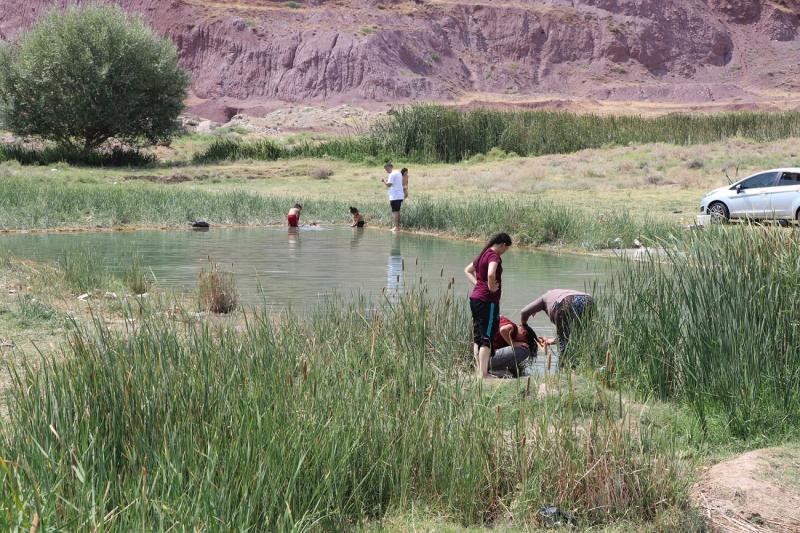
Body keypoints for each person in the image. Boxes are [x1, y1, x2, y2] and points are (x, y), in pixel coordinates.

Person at [464, 232, 512, 379]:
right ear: (503, 245)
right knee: (487, 337)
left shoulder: (482, 255)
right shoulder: (493, 256)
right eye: (506, 249)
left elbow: (467, 270)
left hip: (475, 299)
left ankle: (480, 371)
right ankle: (484, 375)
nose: (505, 252)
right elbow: (491, 274)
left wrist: (479, 284)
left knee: (478, 336)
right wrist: (490, 287)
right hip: (487, 302)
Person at [520, 289, 594, 365]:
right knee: (581, 339)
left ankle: (563, 368)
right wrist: (553, 340)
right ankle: (582, 366)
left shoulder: (544, 298)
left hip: (566, 301)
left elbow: (524, 312)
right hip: (587, 300)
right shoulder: (558, 293)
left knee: (564, 347)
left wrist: (524, 326)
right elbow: (568, 334)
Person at [381, 162, 405, 232]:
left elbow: (389, 185)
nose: (386, 170)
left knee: (395, 212)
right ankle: (397, 227)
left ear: (389, 167)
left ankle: (396, 228)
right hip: (400, 195)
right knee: (397, 211)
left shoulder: (392, 174)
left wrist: (384, 181)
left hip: (395, 196)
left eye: (386, 169)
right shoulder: (398, 172)